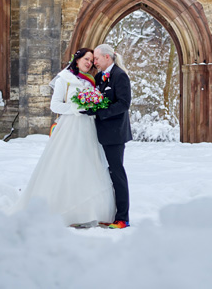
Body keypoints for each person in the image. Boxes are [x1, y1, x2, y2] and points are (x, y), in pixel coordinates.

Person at [17, 47, 115, 227]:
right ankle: (63, 210)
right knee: (68, 164)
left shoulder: (92, 80)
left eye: (92, 60)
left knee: (87, 165)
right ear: (77, 60)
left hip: (89, 127)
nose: (89, 62)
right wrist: (74, 109)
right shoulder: (65, 78)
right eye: (86, 58)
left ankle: (88, 210)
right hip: (71, 126)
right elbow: (55, 105)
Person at [91, 43, 132, 229]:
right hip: (99, 133)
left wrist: (101, 112)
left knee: (117, 174)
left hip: (115, 134)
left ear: (107, 57)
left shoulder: (120, 76)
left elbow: (124, 104)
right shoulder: (99, 77)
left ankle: (123, 218)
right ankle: (106, 212)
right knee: (103, 175)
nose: (95, 62)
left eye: (97, 59)